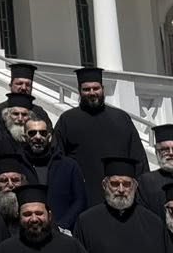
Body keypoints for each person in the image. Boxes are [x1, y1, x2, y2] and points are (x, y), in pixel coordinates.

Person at [53, 66, 149, 195]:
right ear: (79, 91)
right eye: (86, 89)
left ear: (102, 89)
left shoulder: (121, 118)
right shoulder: (67, 120)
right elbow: (58, 160)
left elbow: (138, 159)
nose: (92, 93)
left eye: (96, 88)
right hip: (82, 195)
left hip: (120, 193)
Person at [19, 110, 88, 231]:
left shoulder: (69, 166)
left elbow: (80, 200)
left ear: (50, 137)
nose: (38, 137)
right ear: (24, 137)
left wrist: (62, 225)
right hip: (27, 231)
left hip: (64, 233)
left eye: (43, 133)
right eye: (32, 133)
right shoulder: (16, 165)